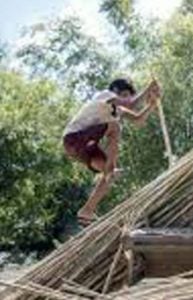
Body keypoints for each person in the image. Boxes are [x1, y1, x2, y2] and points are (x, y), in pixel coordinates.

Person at [63, 79, 161, 225]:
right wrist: (148, 88)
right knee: (115, 127)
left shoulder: (118, 110)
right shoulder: (105, 95)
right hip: (74, 138)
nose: (127, 98)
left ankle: (87, 211)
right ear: (116, 91)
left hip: (84, 148)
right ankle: (110, 167)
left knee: (111, 175)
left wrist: (151, 105)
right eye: (125, 95)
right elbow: (131, 104)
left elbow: (138, 120)